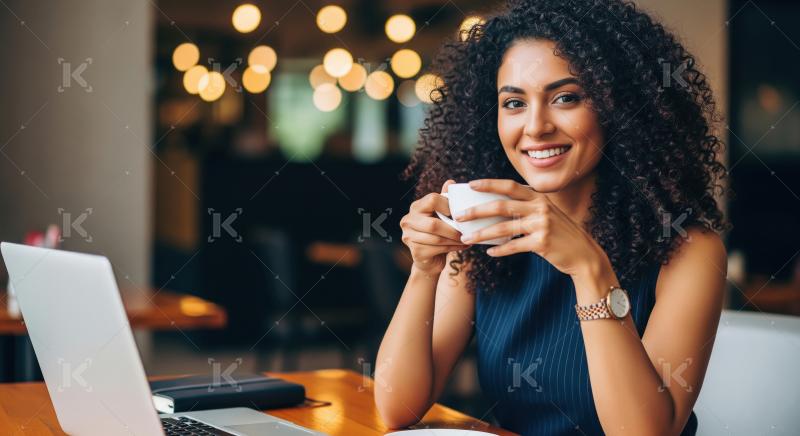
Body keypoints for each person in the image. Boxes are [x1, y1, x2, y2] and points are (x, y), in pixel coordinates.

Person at [374, 0, 731, 434]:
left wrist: (588, 269)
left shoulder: (687, 250)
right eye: (514, 103)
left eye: (566, 97)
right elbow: (397, 410)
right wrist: (423, 272)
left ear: (618, 108)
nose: (536, 126)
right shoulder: (484, 235)